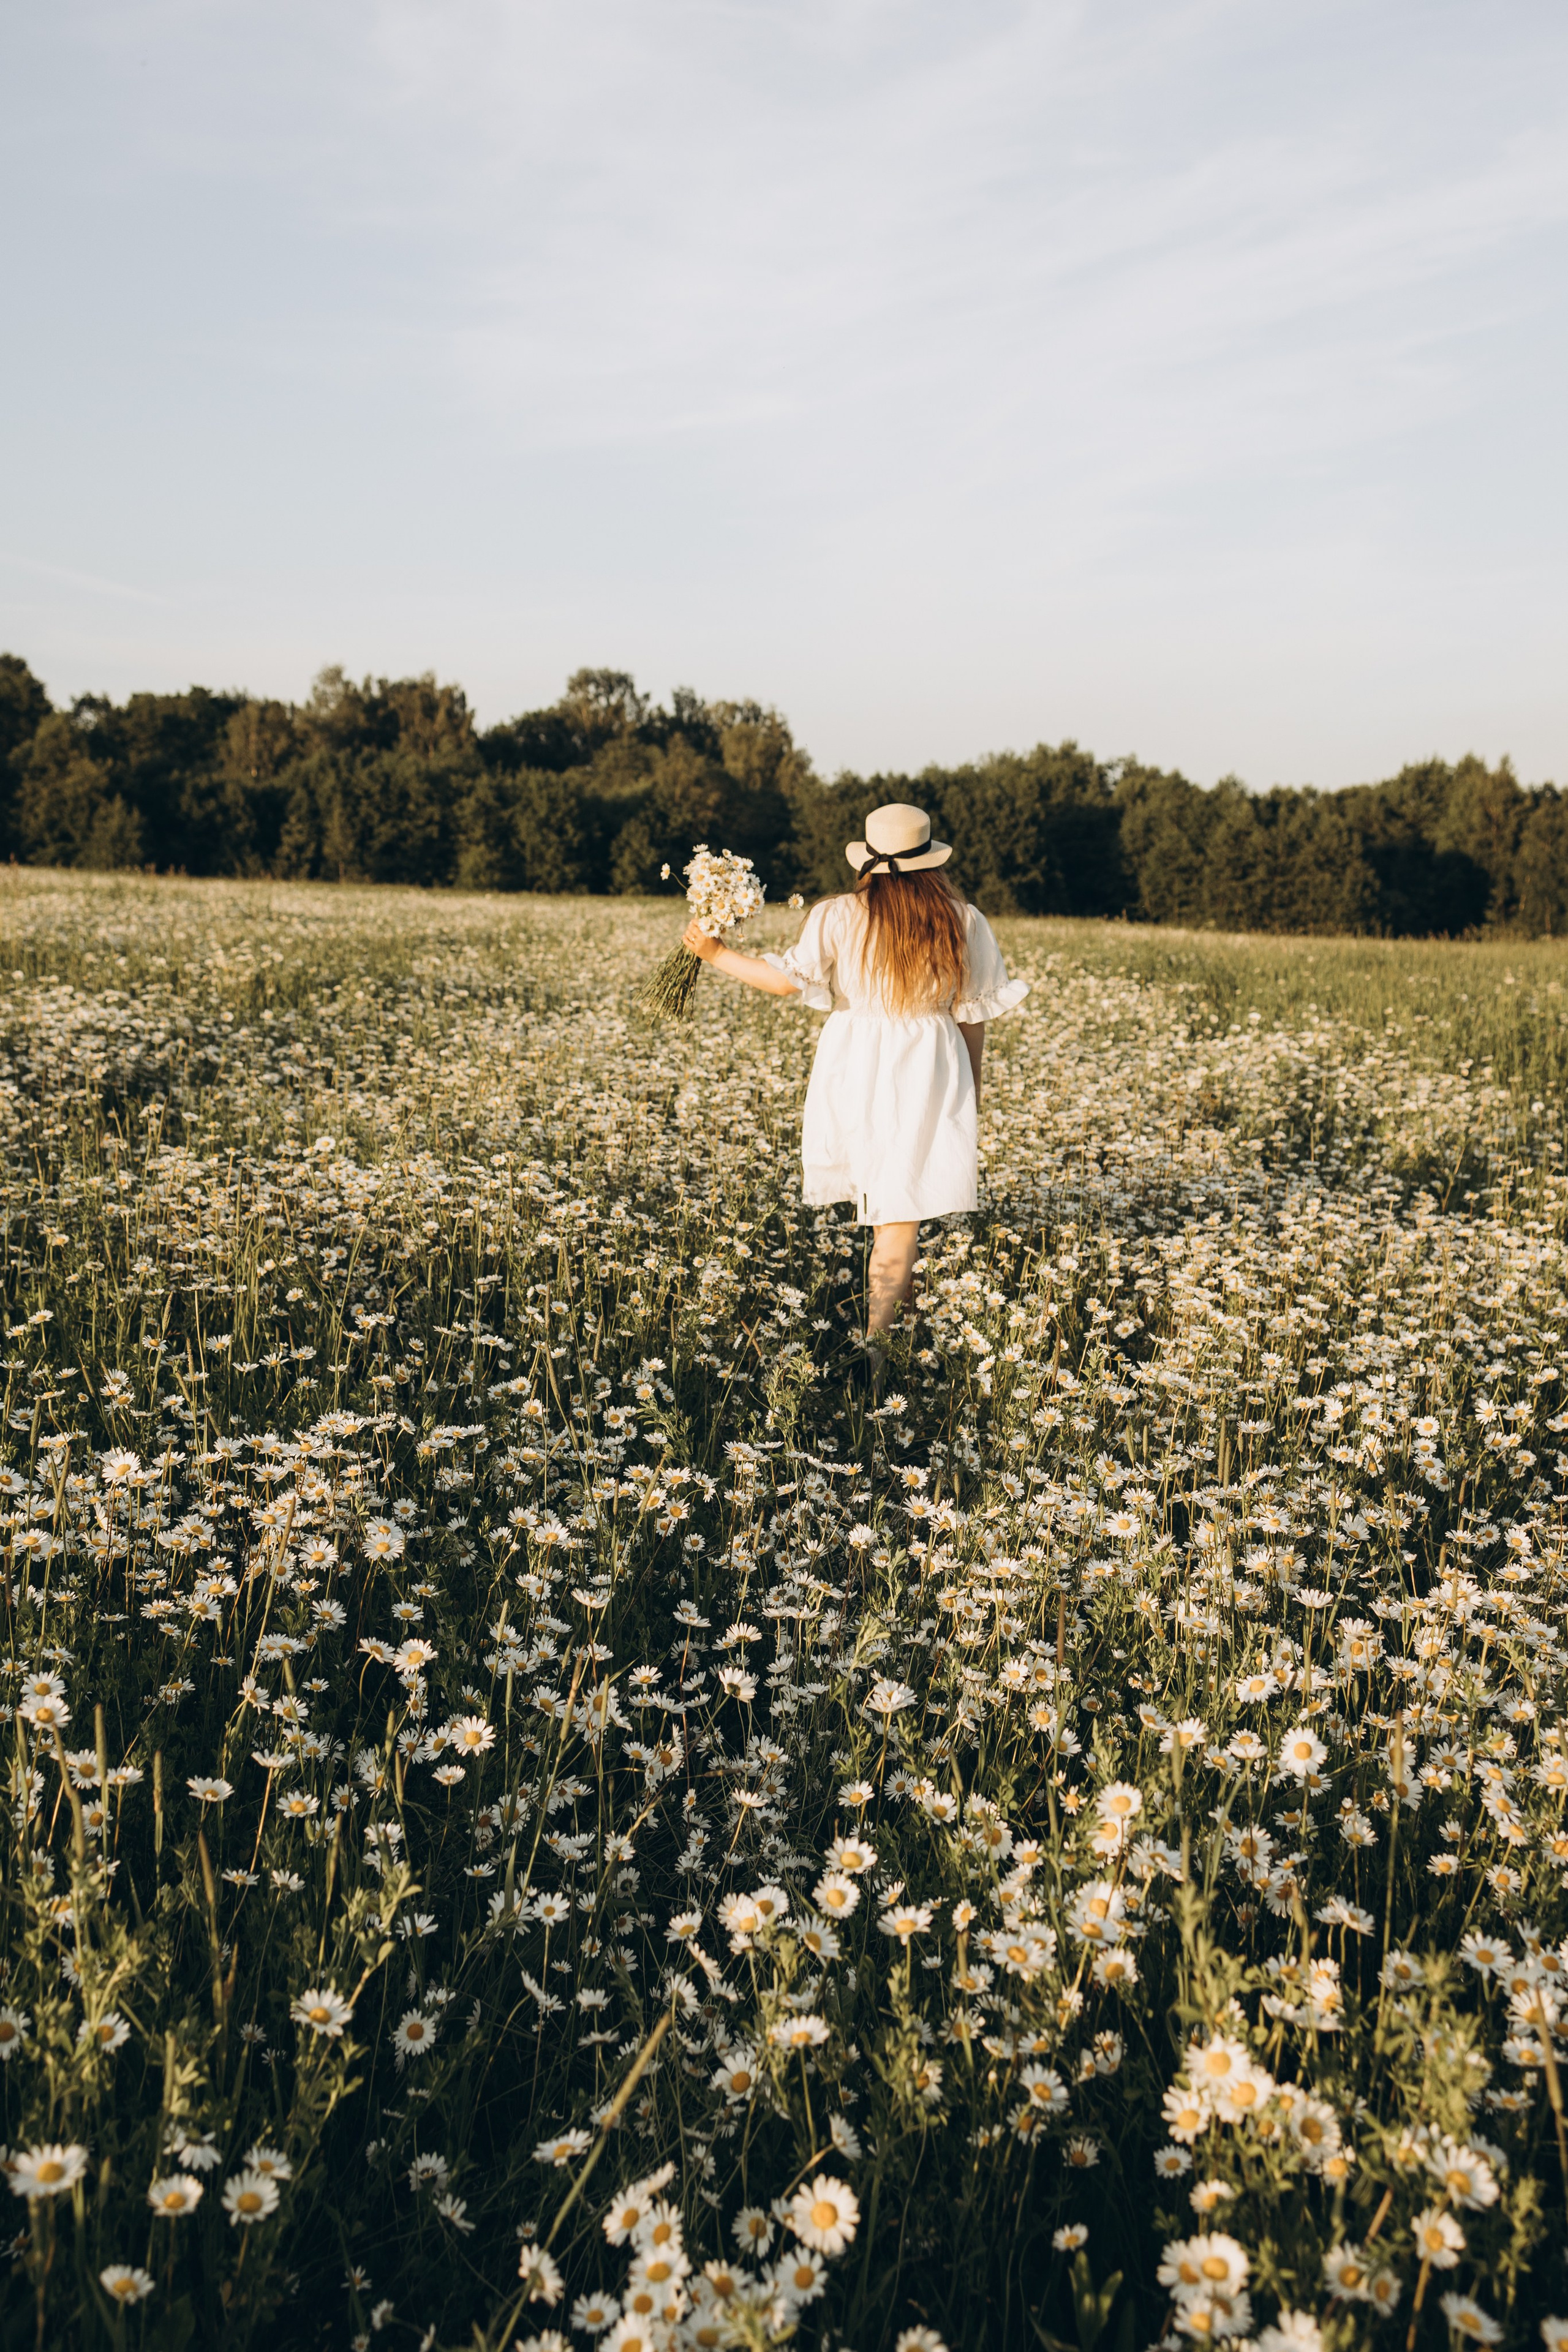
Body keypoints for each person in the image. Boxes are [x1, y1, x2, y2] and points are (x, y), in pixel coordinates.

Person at [682, 802, 1028, 1359]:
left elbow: (783, 981)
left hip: (856, 1063)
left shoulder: (839, 914)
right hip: (929, 1068)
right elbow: (974, 1016)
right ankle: (881, 1352)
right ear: (930, 860)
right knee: (898, 1212)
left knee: (894, 1209)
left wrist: (716, 954)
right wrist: (973, 1088)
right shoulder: (963, 919)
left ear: (868, 859)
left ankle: (885, 1342)